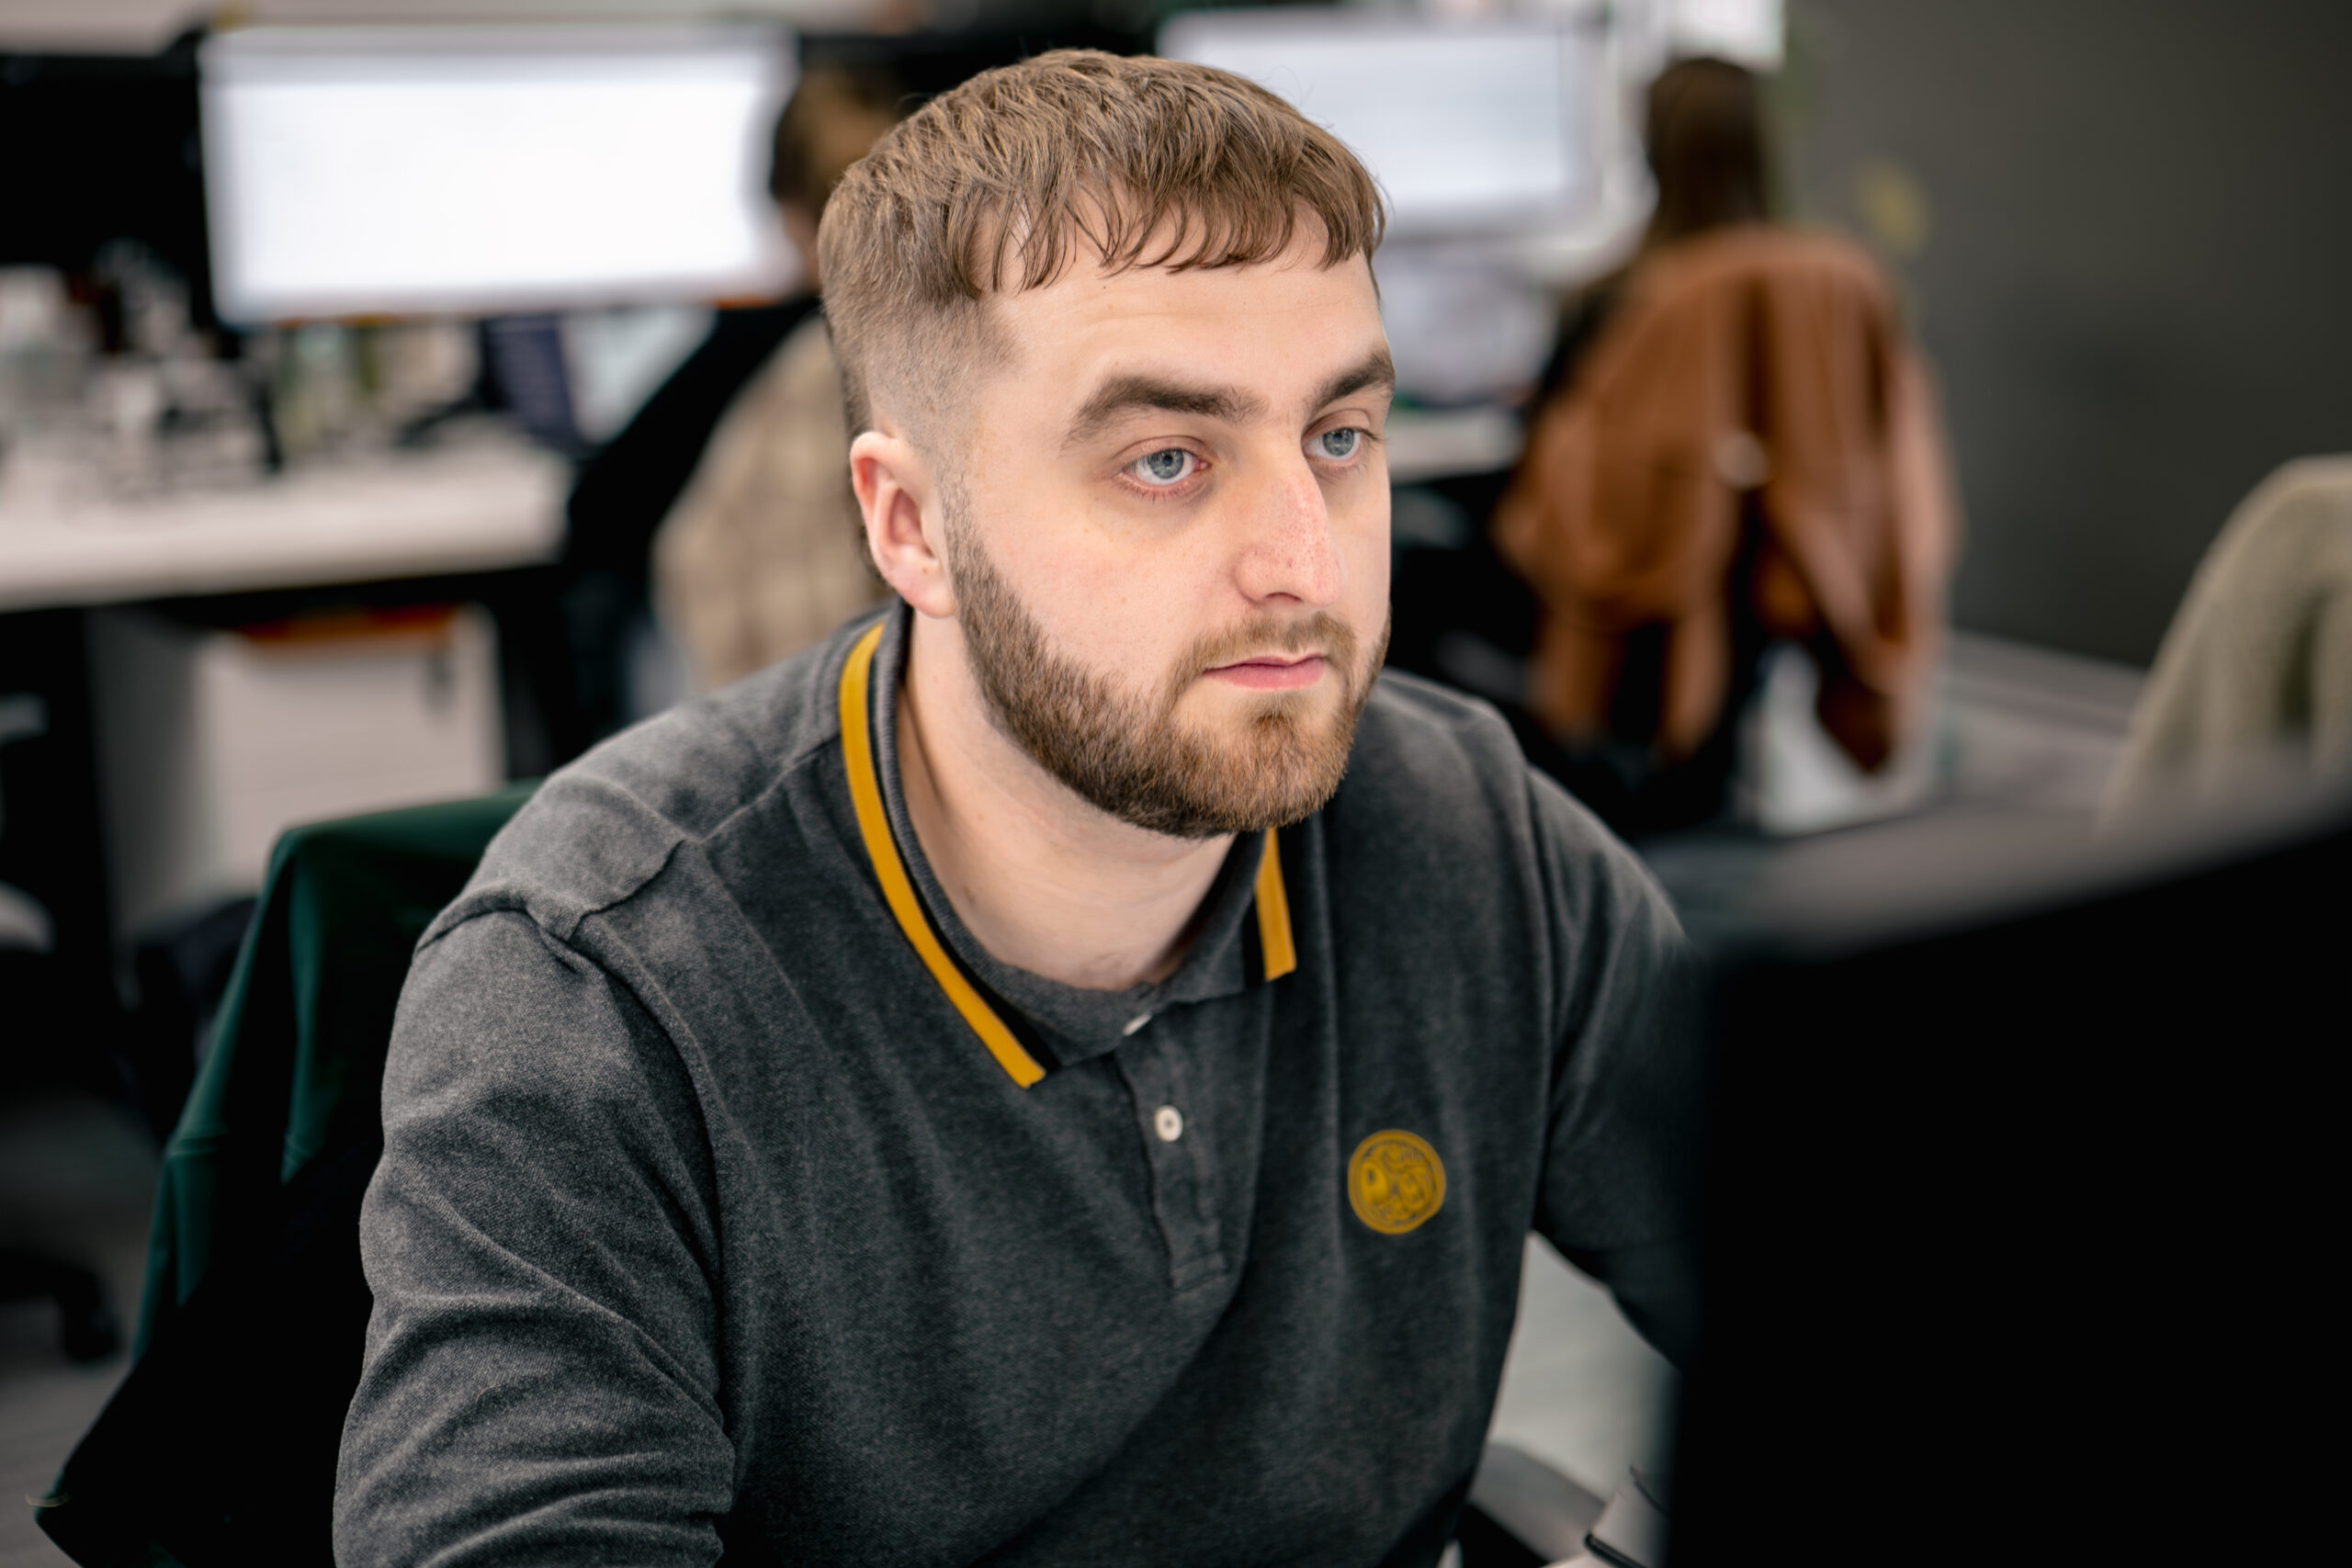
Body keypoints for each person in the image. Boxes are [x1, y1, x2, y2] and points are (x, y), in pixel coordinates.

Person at [334, 51, 1697, 1567]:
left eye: (1338, 437)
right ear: (912, 526)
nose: (1305, 561)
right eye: (1168, 458)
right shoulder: (605, 989)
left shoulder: (1473, 839)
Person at [1494, 58, 1957, 834]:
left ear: (1648, 150)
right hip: (1780, 561)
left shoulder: (1617, 297)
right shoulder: (1835, 281)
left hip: (1640, 575)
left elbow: (1547, 454)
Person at [555, 66, 903, 740]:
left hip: (746, 717)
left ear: (785, 211)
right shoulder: (937, 345)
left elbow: (596, 509)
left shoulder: (751, 349)